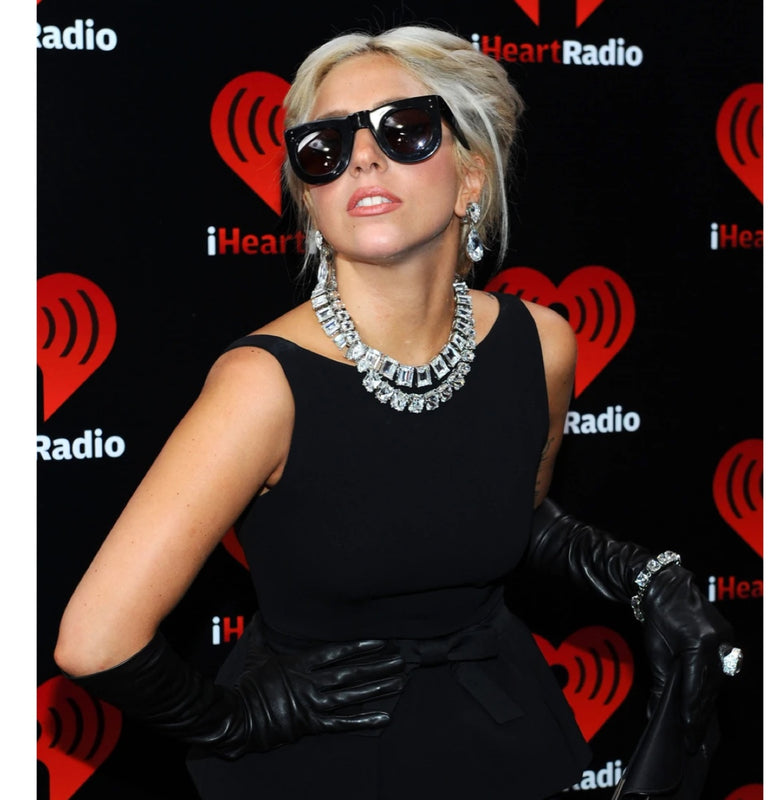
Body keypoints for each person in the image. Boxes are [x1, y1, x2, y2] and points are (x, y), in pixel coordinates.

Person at [54, 24, 740, 800]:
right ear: (310, 200)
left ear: (471, 175)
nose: (362, 159)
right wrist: (237, 720)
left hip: (502, 733)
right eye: (324, 147)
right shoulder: (264, 384)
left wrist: (642, 576)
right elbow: (95, 639)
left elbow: (509, 511)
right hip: (323, 762)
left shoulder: (542, 344)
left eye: (404, 129)